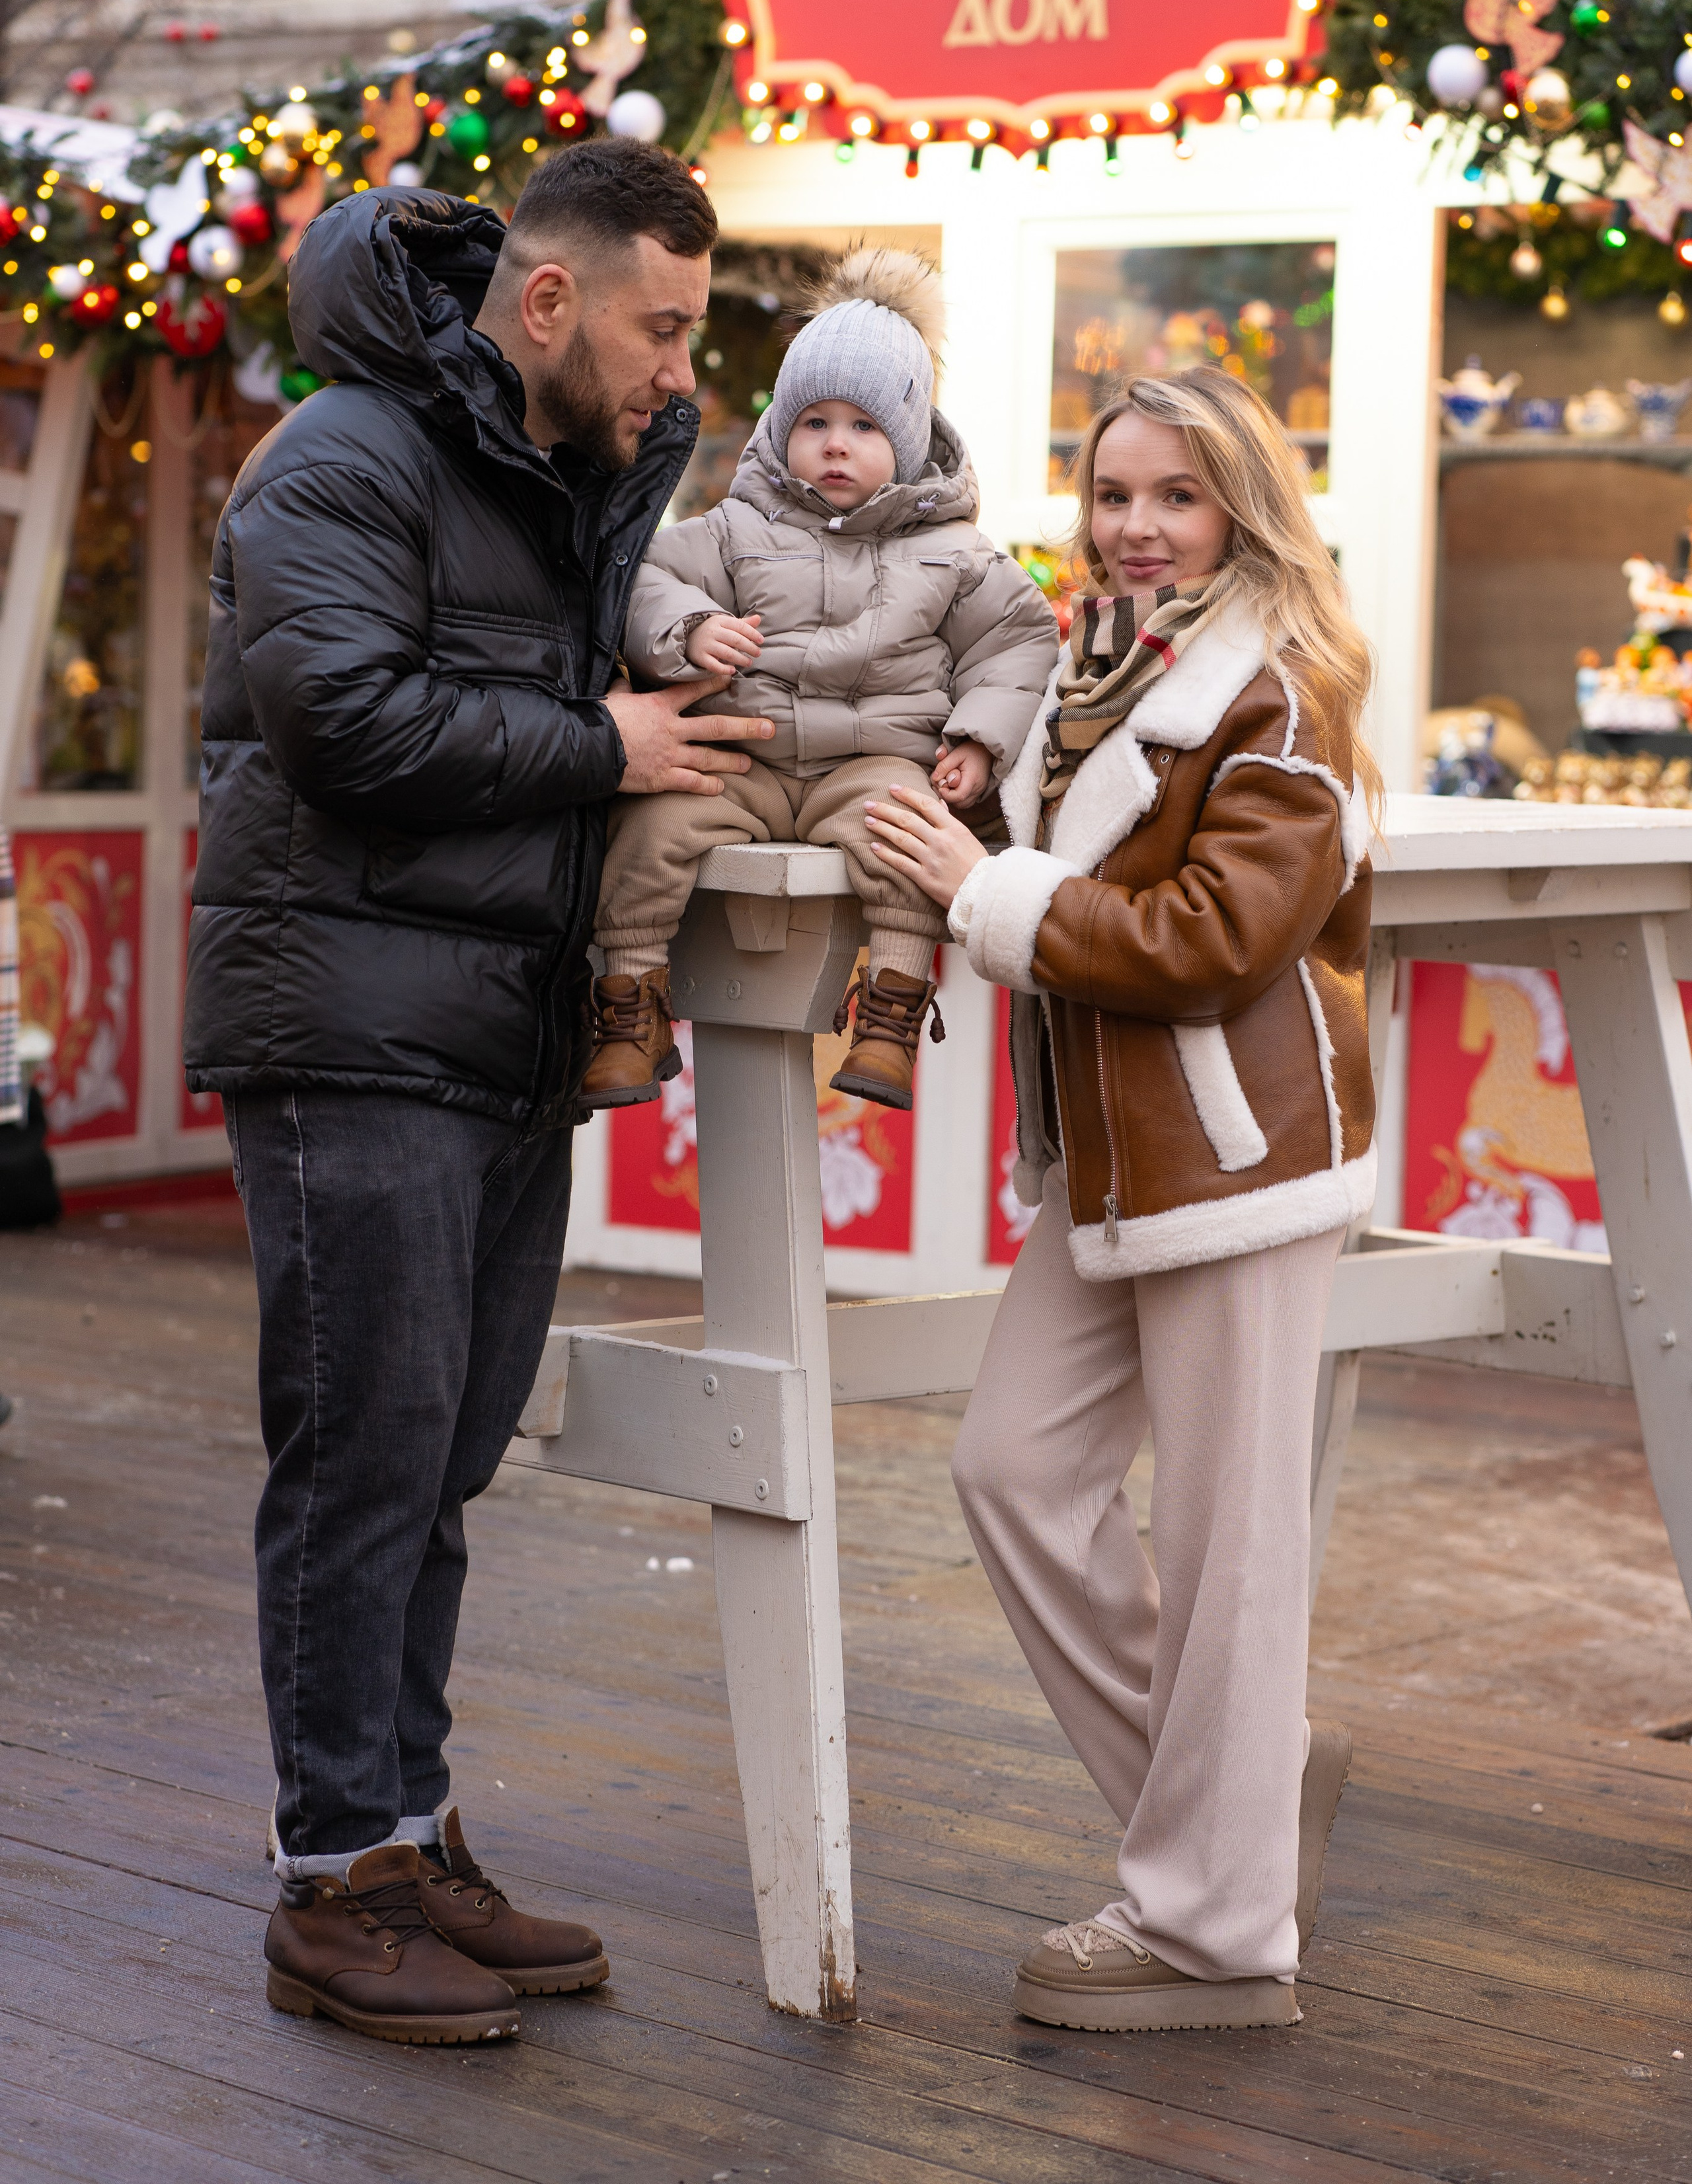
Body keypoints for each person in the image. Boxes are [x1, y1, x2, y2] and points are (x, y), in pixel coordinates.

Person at [184, 140, 775, 2047]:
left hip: (498, 1033)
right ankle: (330, 1877)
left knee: (439, 1459)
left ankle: (406, 1833)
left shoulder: (563, 467)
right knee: (365, 1453)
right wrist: (605, 740)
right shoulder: (345, 454)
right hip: (348, 1025)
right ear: (546, 300)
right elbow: (339, 721)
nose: (681, 369)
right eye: (660, 328)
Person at [861, 365, 1377, 2034]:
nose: (1135, 526)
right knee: (1012, 1470)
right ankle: (1242, 1797)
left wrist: (984, 888)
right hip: (1110, 1160)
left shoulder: (1279, 687)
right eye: (1110, 494)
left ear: (1242, 506)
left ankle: (1213, 1936)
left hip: (1235, 1157)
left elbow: (1215, 940)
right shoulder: (1092, 666)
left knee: (1228, 1540)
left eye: (1175, 495)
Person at [580, 247, 1058, 1113]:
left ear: (907, 442)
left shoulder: (952, 551)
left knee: (909, 841)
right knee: (650, 832)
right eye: (815, 421)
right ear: (780, 431)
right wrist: (690, 630)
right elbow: (646, 583)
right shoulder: (734, 528)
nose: (836, 443)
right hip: (748, 762)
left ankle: (890, 1013)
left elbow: (1017, 641)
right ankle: (631, 1006)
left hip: (871, 765)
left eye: (865, 427)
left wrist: (979, 741)